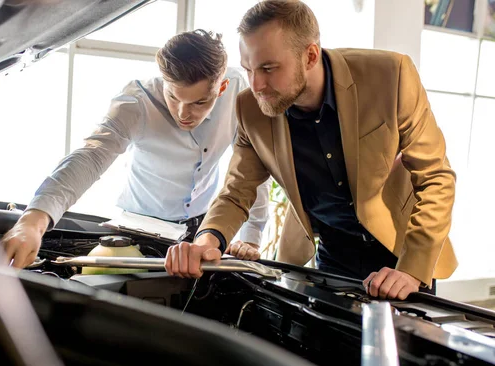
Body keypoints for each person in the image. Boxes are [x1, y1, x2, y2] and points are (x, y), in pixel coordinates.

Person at [163, 0, 457, 301]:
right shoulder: (249, 107)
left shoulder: (391, 75)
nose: (257, 84)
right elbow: (236, 192)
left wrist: (410, 269)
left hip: (403, 252)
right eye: (248, 69)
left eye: (268, 68)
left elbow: (436, 178)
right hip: (330, 256)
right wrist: (207, 241)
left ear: (311, 56)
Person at [1, 29, 271, 268]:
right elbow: (90, 157)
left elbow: (250, 169)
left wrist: (251, 238)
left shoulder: (238, 92)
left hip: (202, 230)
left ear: (221, 87)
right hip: (138, 229)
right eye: (173, 97)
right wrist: (32, 222)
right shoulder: (135, 103)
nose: (182, 113)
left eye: (199, 103)